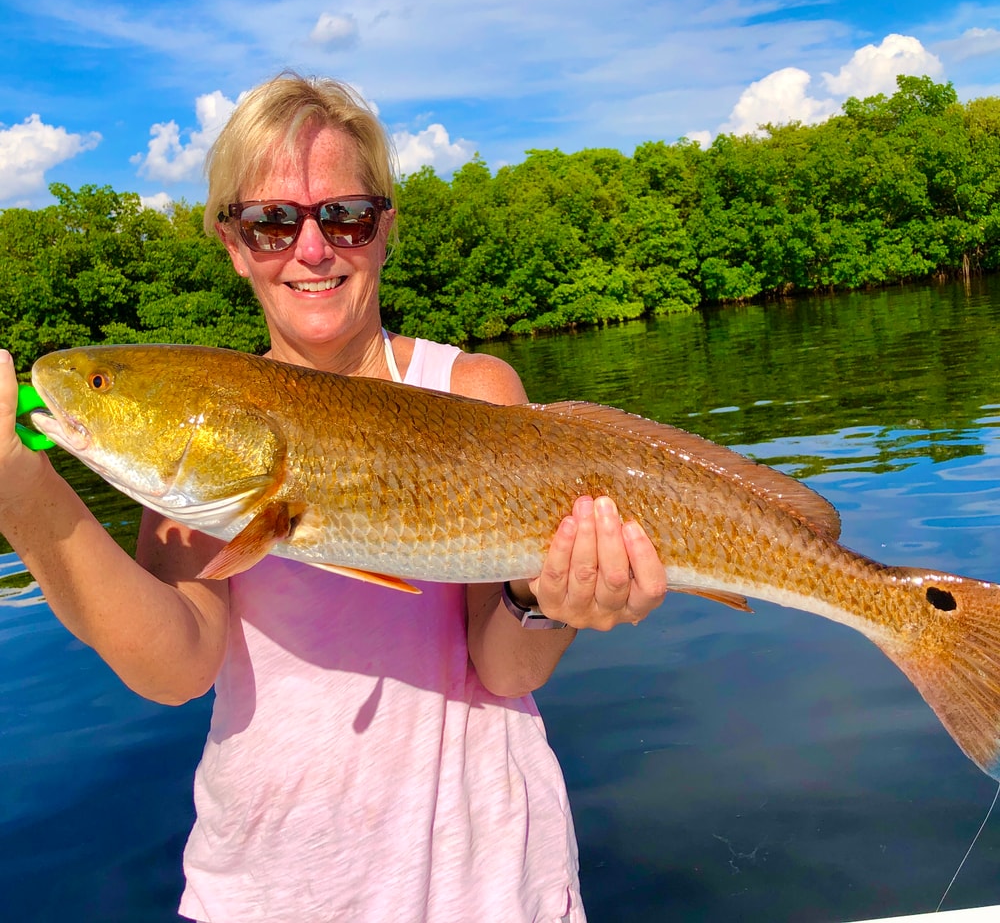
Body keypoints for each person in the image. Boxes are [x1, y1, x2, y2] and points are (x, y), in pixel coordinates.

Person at [0, 72, 667, 922]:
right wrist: (25, 500)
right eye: (273, 222)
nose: (312, 250)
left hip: (493, 883)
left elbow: (505, 668)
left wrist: (548, 601)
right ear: (233, 243)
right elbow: (175, 670)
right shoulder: (200, 437)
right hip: (270, 891)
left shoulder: (476, 390)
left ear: (384, 229)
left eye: (344, 215)